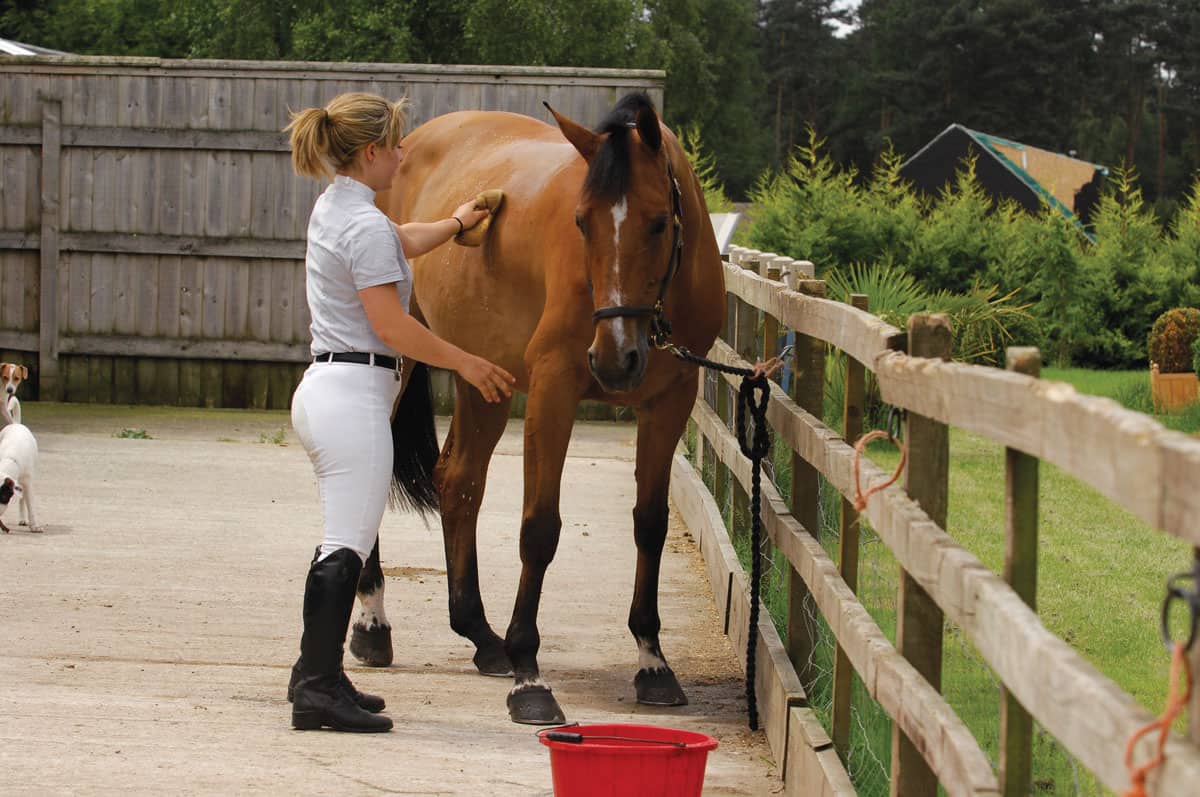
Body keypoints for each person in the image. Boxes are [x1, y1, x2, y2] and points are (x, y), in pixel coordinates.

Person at [283, 92, 515, 733]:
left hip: (332, 390)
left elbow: (398, 239)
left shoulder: (342, 209)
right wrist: (467, 362)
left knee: (341, 542)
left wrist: (454, 224)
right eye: (397, 144)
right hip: (354, 399)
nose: (405, 153)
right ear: (373, 153)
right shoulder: (360, 223)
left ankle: (315, 674)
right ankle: (318, 689)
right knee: (346, 547)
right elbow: (392, 325)